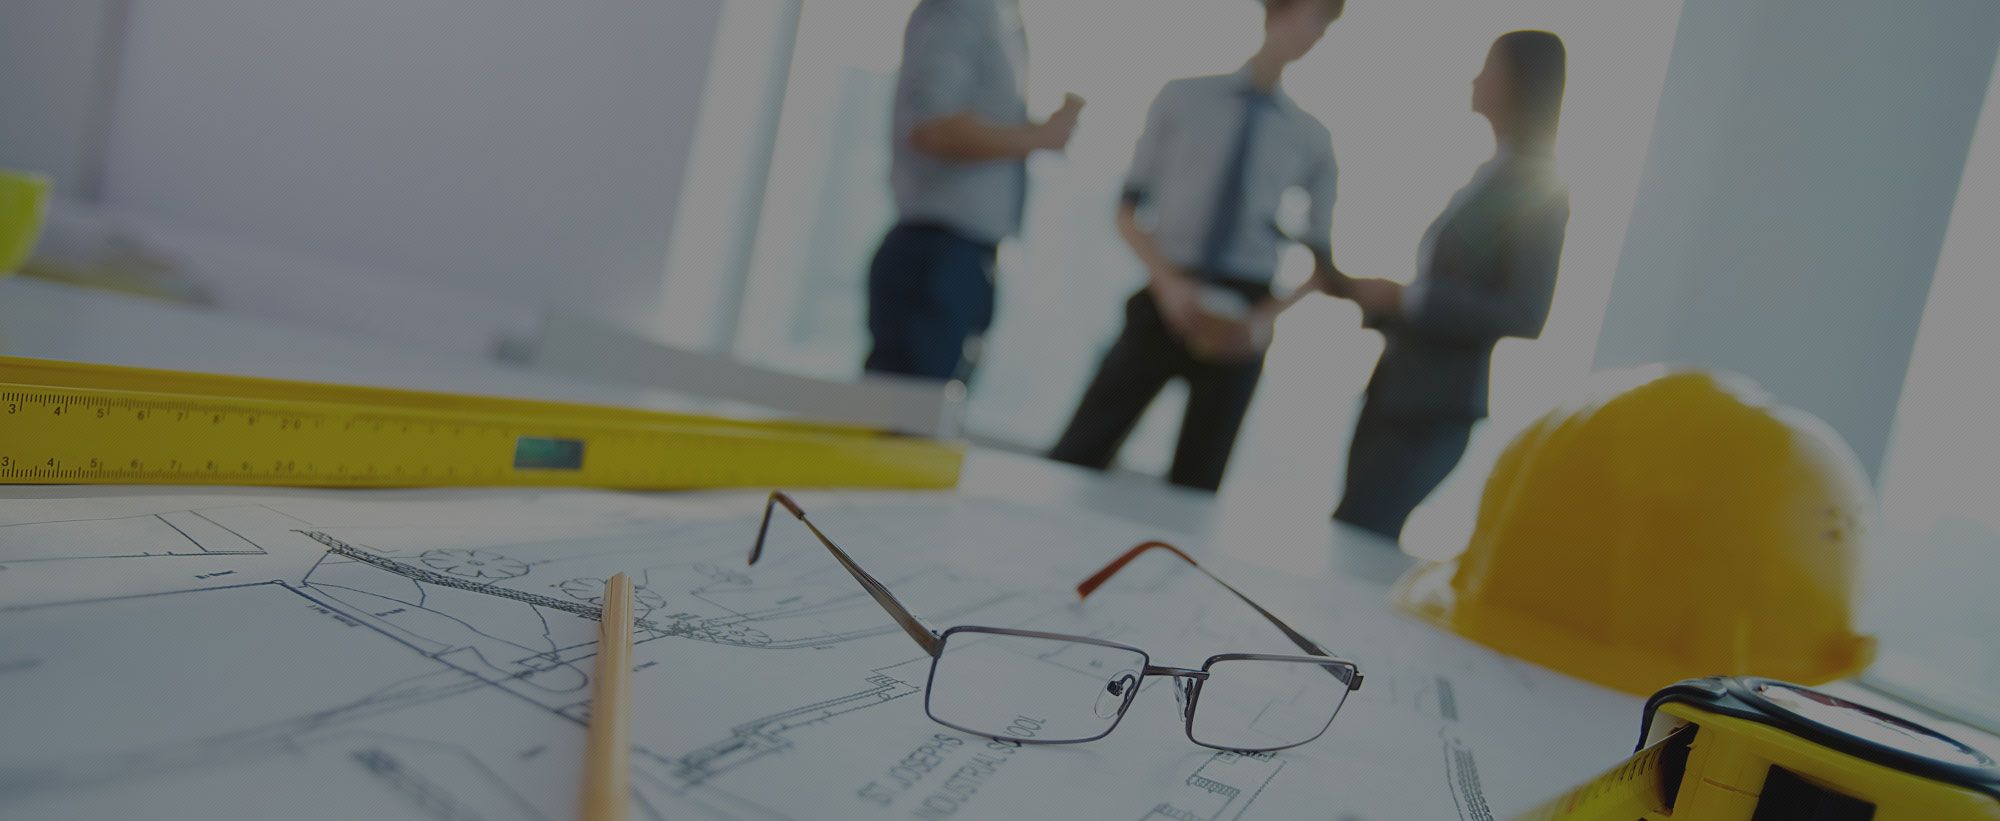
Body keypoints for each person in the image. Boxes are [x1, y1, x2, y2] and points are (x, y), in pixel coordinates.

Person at [1047, 0, 1348, 492]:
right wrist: (1169, 288)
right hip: (1167, 290)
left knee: (1198, 485)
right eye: (1315, 18)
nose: (1319, 35)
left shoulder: (1313, 138)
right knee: (1078, 452)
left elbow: (1323, 263)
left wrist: (1263, 320)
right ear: (1278, 11)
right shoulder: (1182, 98)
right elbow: (1127, 211)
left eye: (1328, 27)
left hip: (1244, 317)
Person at [1330, 30, 1570, 540]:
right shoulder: (1491, 175)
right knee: (1350, 532)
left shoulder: (1538, 187)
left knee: (1359, 536)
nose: (1476, 78)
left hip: (1433, 407)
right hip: (1395, 390)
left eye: (1489, 67)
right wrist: (1379, 299)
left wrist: (1408, 297)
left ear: (1520, 81)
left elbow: (1525, 313)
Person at [864, 0, 1085, 383]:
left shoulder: (1002, 18)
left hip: (967, 255)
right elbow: (934, 128)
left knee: (934, 405)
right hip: (935, 254)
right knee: (906, 406)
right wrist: (1038, 138)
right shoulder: (959, 9)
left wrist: (1036, 135)